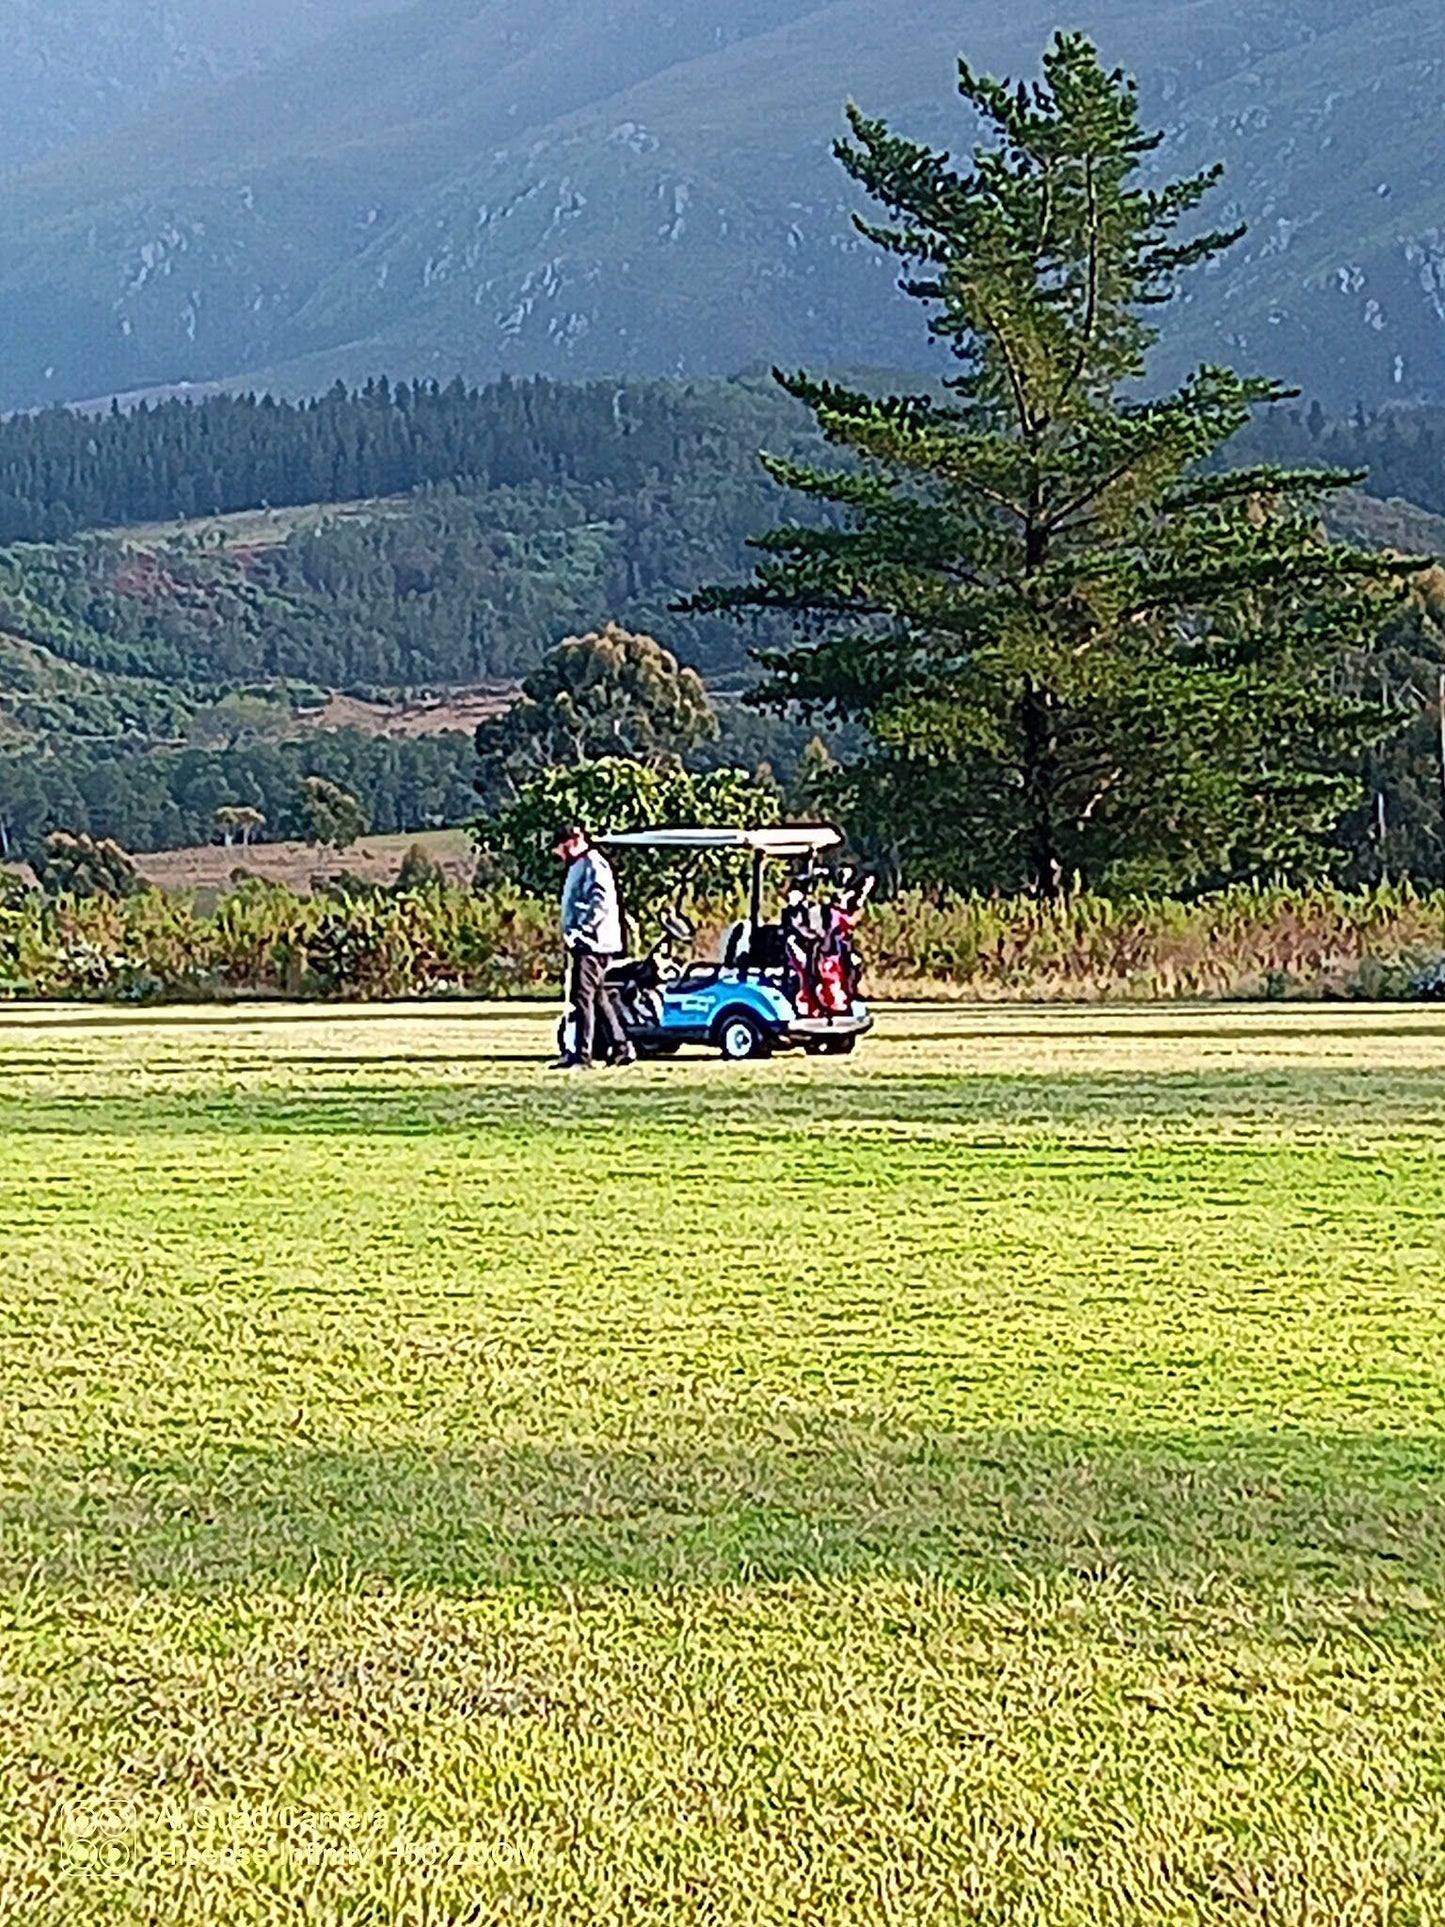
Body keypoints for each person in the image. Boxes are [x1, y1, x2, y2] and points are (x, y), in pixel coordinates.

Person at [552, 824, 635, 1069]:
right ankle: (621, 1047)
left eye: (561, 846)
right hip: (585, 942)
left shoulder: (593, 864)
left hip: (593, 944)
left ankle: (583, 1055)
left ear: (574, 840)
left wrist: (581, 931)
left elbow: (600, 902)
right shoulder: (579, 865)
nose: (559, 853)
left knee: (582, 997)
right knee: (598, 999)